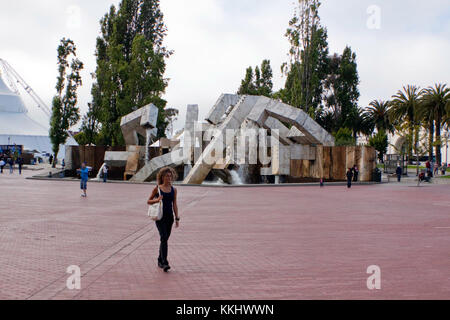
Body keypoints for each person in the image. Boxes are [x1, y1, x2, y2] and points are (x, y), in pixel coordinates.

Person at [147, 167, 180, 273]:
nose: (168, 178)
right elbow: (149, 201)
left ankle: (160, 259)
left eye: (170, 176)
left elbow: (174, 204)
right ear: (162, 177)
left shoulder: (174, 190)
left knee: (164, 239)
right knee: (164, 237)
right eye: (166, 176)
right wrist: (157, 199)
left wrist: (177, 217)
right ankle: (165, 262)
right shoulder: (157, 188)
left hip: (169, 217)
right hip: (160, 217)